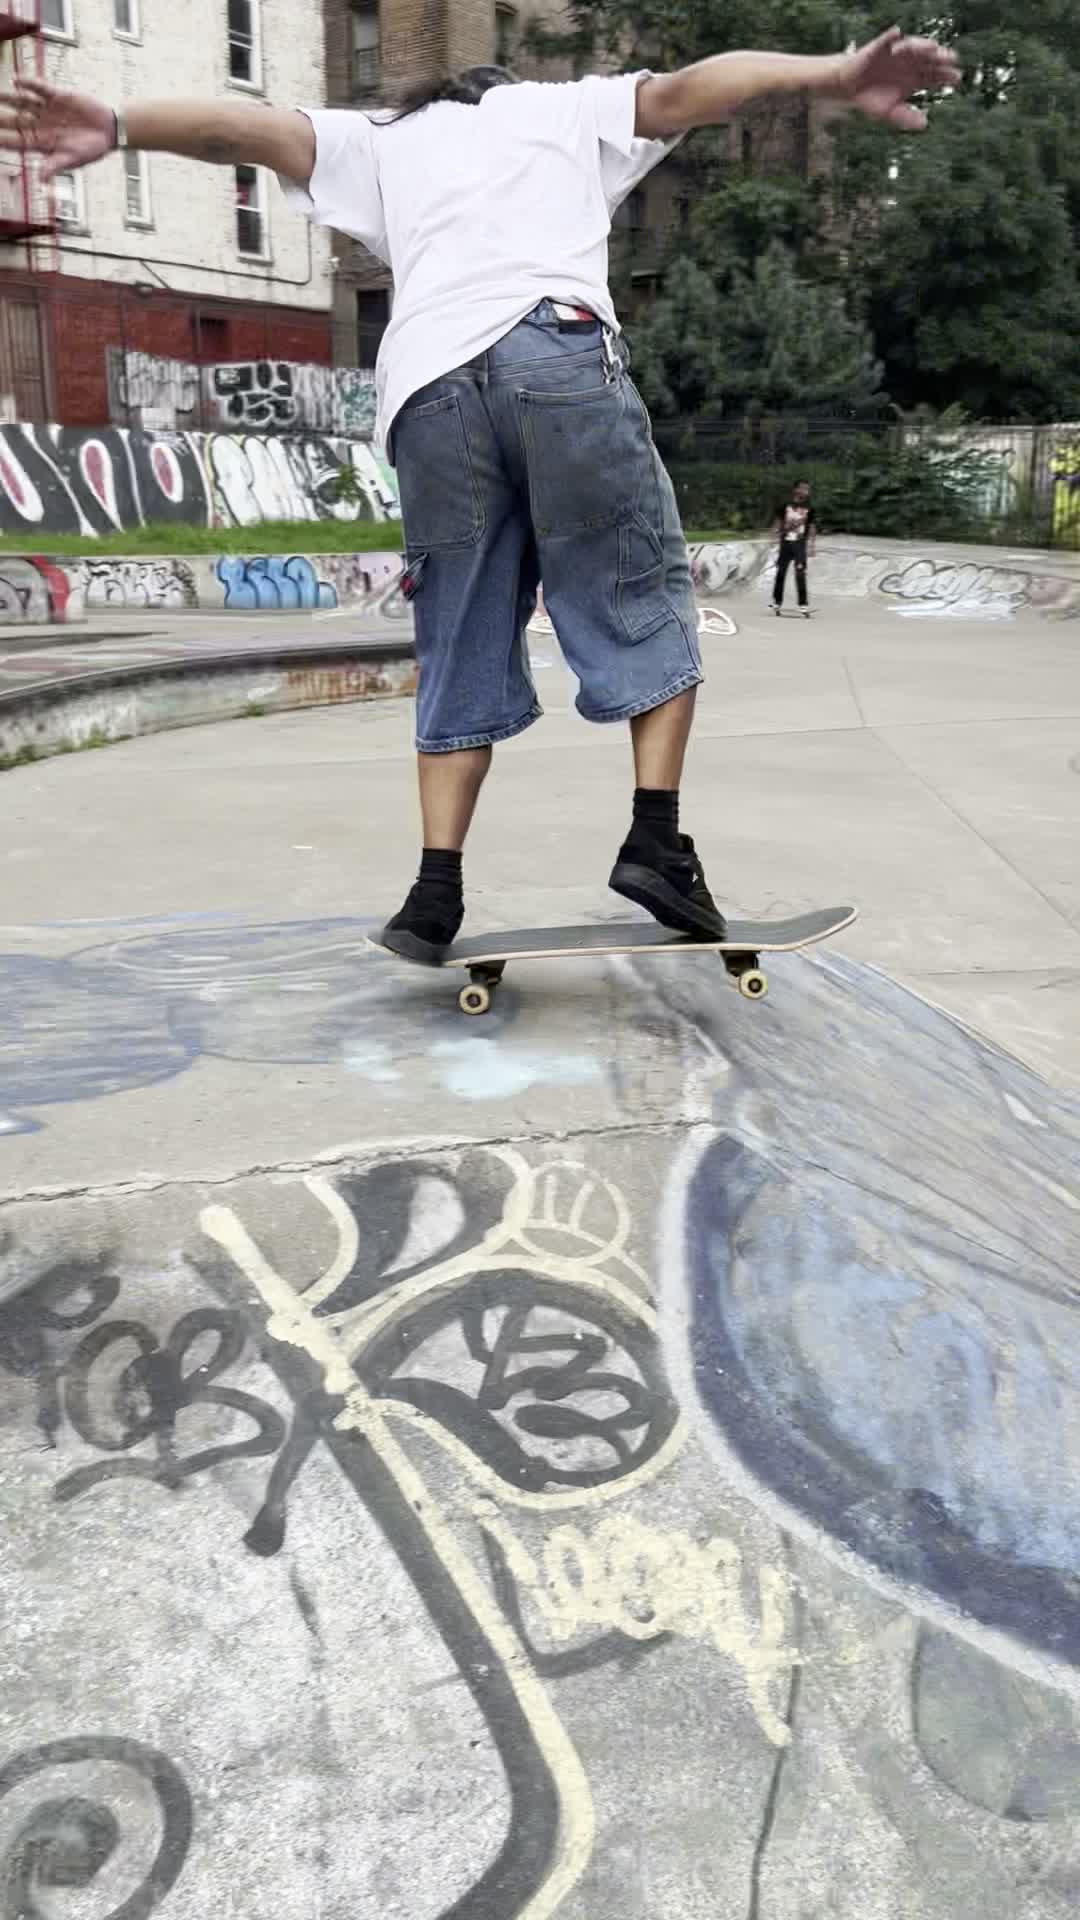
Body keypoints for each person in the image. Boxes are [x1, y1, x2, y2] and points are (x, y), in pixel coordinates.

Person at [0, 31, 957, 962]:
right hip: (555, 353)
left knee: (456, 627)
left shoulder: (383, 137)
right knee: (642, 588)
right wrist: (838, 71)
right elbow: (698, 87)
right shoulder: (566, 109)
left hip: (429, 390)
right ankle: (656, 841)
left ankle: (433, 893)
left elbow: (240, 129)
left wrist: (118, 122)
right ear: (506, 89)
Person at [773, 479, 817, 617]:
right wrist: (774, 537)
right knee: (780, 573)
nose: (805, 492)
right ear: (796, 490)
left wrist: (811, 545)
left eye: (807, 489)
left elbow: (812, 526)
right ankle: (777, 601)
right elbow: (778, 521)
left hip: (800, 544)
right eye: (803, 488)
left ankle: (803, 604)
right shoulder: (785, 505)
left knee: (800, 573)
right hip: (785, 543)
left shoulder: (810, 508)